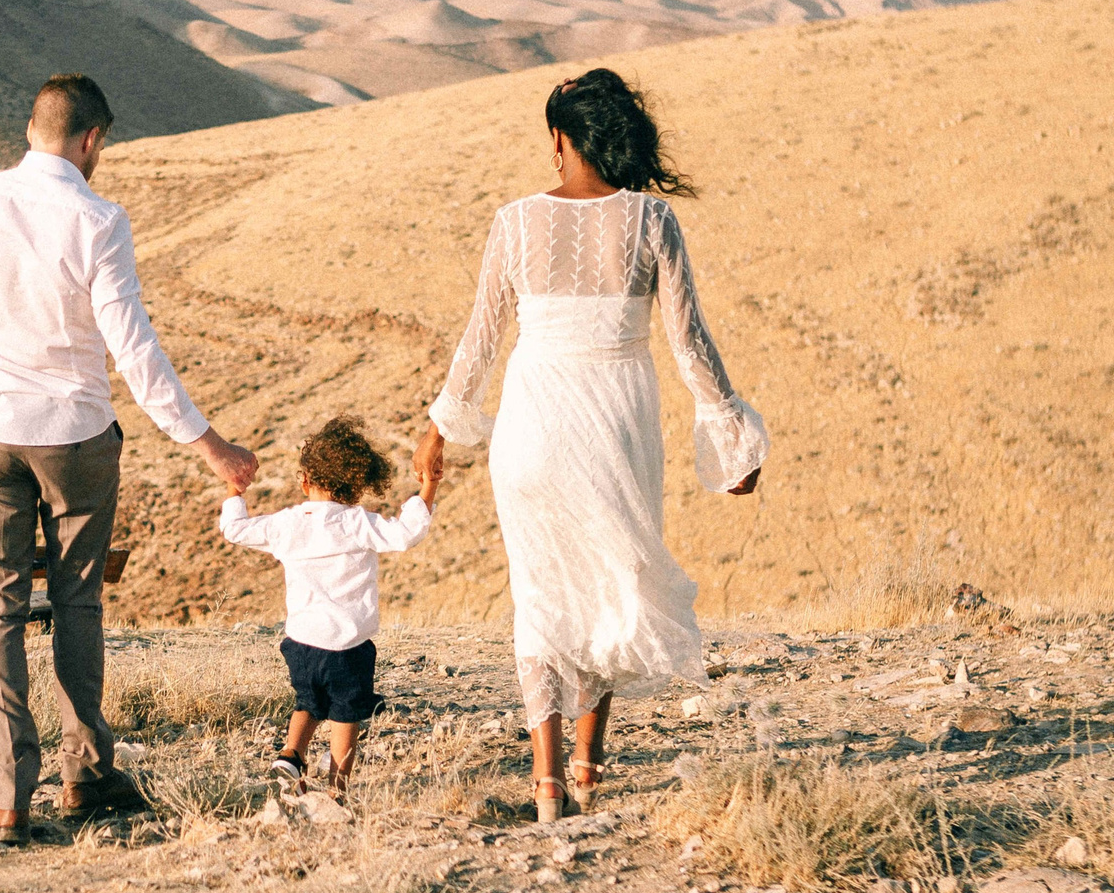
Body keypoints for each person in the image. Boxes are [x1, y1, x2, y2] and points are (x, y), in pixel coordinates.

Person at [0, 73, 258, 845]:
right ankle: (87, 775)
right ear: (91, 140)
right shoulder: (98, 219)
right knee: (76, 602)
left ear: (32, 128)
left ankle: (6, 799)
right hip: (73, 435)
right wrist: (208, 445)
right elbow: (134, 351)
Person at [415, 69, 766, 823]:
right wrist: (731, 436)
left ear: (557, 142)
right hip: (614, 421)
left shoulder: (513, 222)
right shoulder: (651, 222)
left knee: (542, 594)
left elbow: (480, 340)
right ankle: (587, 768)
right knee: (608, 581)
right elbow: (690, 342)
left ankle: (545, 789)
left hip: (533, 422)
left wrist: (440, 429)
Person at [218, 416, 437, 797]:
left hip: (300, 643)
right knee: (344, 716)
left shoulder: (287, 523)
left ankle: (292, 753)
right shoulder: (356, 523)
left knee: (308, 702)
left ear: (305, 481)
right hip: (348, 645)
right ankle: (338, 785)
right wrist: (429, 488)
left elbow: (235, 529)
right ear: (357, 486)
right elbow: (406, 534)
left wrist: (234, 491)